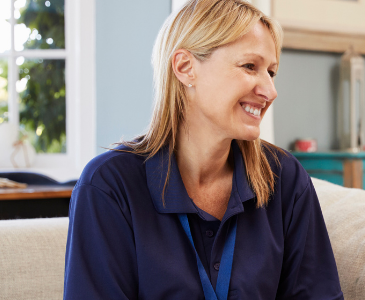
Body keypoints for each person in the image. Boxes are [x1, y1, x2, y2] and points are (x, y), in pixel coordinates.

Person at [63, 1, 343, 299]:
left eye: (271, 72)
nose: (270, 91)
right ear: (185, 68)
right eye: (250, 66)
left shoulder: (285, 178)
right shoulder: (109, 186)